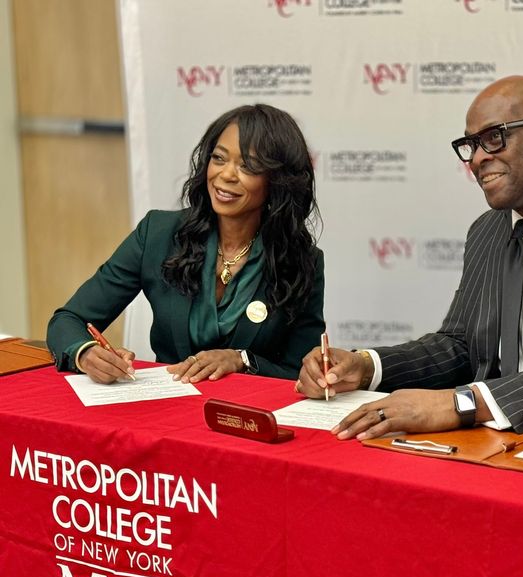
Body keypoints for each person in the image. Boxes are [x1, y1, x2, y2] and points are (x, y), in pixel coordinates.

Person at [297, 75, 523, 440]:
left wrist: (466, 403)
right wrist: (365, 367)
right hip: (502, 442)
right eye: (471, 146)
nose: (476, 159)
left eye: (494, 138)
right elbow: (460, 346)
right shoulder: (486, 231)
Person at [48, 104, 324, 384]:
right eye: (219, 158)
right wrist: (86, 354)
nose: (226, 175)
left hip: (246, 416)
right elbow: (68, 320)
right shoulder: (158, 234)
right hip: (168, 411)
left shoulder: (301, 261)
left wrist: (242, 360)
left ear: (277, 181)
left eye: (247, 166)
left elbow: (302, 373)